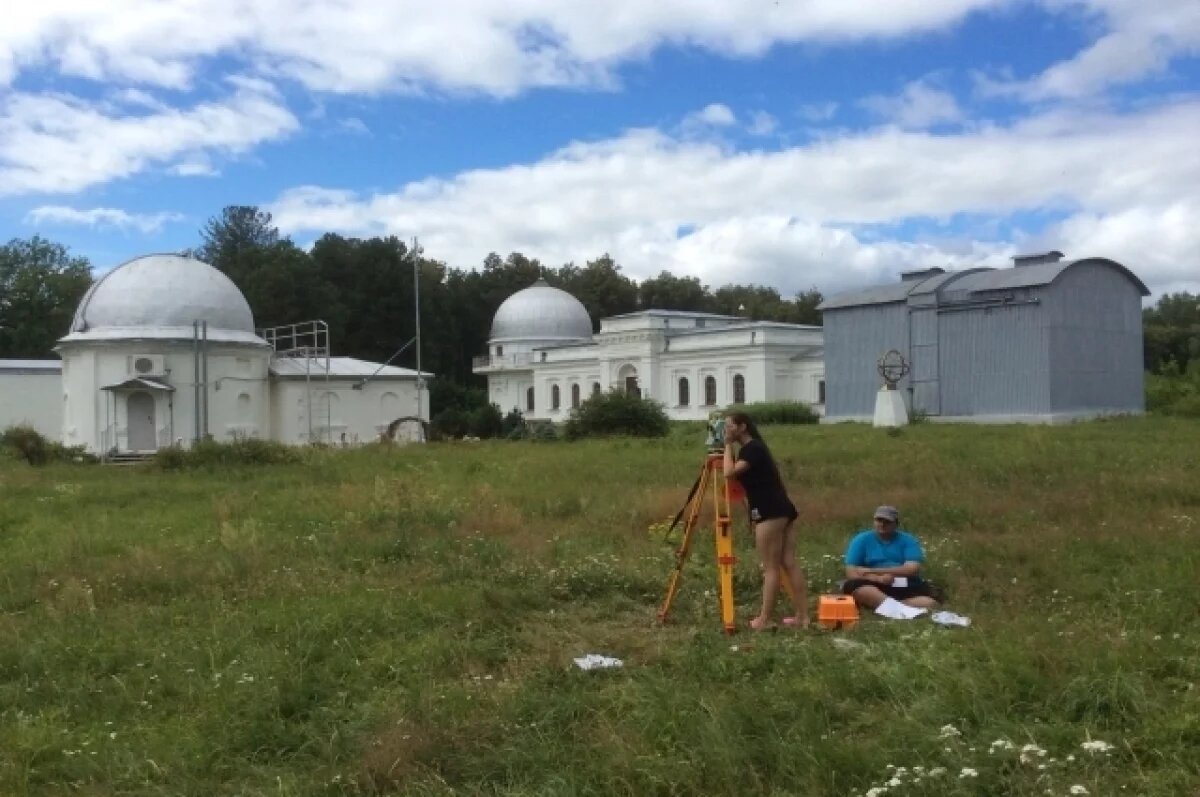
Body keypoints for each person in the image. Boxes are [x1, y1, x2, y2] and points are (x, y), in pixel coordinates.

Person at [723, 412, 808, 630]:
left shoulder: (752, 449)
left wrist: (725, 447)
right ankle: (802, 617)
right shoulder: (756, 448)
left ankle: (764, 618)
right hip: (781, 508)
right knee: (788, 562)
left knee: (771, 568)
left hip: (770, 511)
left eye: (729, 426)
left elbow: (729, 473)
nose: (727, 430)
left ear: (742, 427)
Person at [842, 505, 939, 610]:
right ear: (874, 521)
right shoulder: (861, 540)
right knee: (854, 586)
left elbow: (912, 569)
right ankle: (897, 607)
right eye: (879, 520)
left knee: (931, 603)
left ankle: (884, 606)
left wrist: (873, 571)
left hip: (903, 583)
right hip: (872, 583)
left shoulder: (908, 540)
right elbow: (851, 572)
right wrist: (878, 578)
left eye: (887, 522)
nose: (882, 524)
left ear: (896, 524)